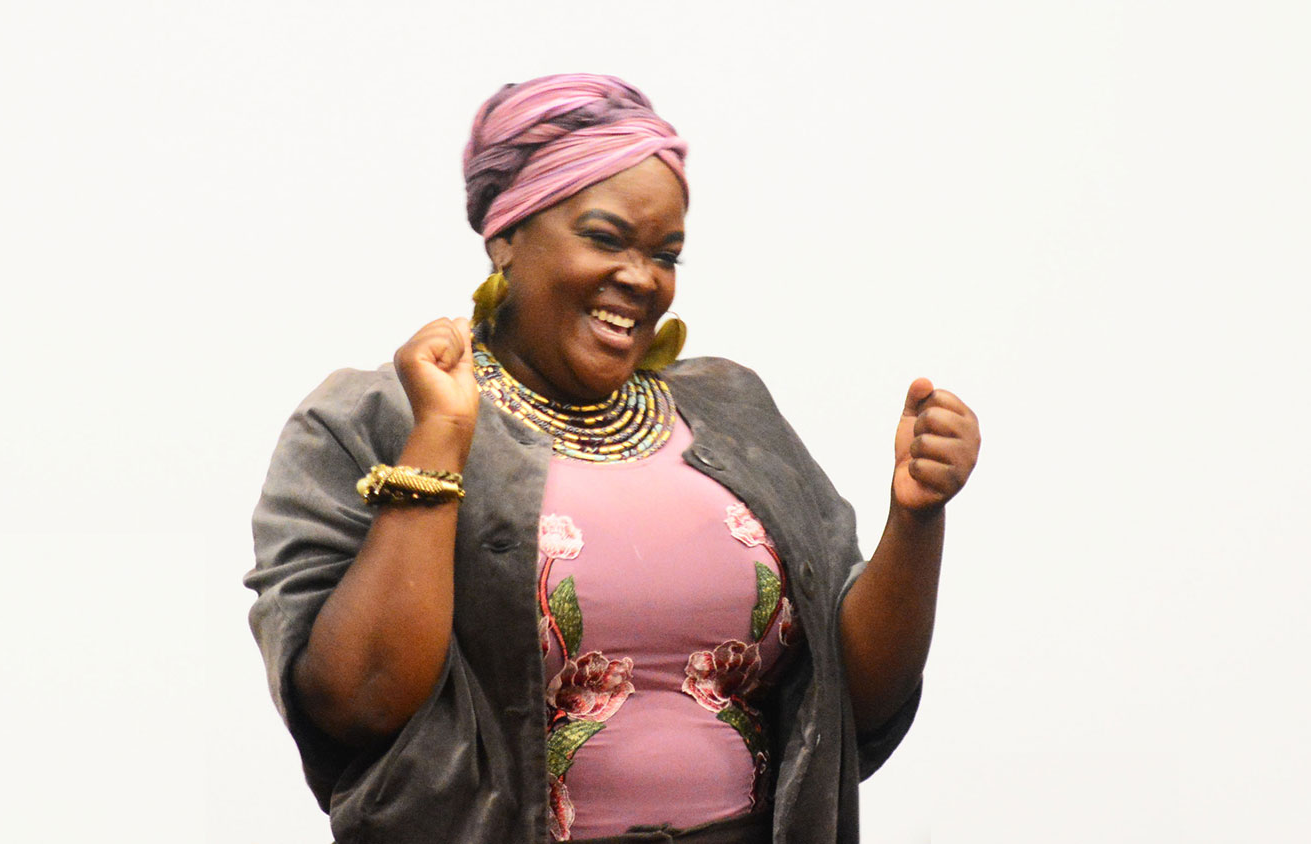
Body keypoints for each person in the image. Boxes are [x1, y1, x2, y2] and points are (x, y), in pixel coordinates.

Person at [246, 73, 980, 844]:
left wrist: (917, 517)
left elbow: (853, 700)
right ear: (507, 235)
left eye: (665, 254)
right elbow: (359, 702)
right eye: (604, 238)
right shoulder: (373, 418)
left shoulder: (736, 412)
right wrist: (438, 440)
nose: (640, 277)